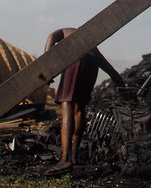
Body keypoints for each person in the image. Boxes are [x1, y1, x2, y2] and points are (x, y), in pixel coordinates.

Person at [45, 27, 125, 174]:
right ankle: (74, 156)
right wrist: (121, 84)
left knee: (67, 105)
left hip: (77, 60)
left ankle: (65, 159)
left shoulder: (65, 32)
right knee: (79, 108)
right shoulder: (91, 45)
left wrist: (46, 64)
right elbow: (108, 67)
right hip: (91, 64)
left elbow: (51, 37)